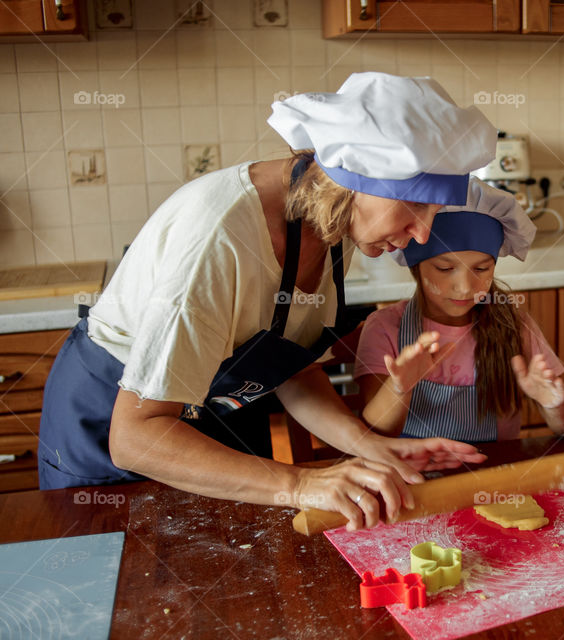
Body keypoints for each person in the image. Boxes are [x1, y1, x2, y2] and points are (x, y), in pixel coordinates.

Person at [38, 72, 497, 531]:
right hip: (114, 438)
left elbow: (288, 368)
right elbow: (135, 437)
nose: (422, 234)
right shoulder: (220, 237)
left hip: (217, 423)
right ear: (356, 180)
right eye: (417, 207)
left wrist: (365, 442)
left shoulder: (334, 219)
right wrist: (299, 485)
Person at [353, 178, 564, 442]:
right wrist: (398, 390)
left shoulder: (514, 323)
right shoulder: (385, 327)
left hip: (496, 473)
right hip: (414, 474)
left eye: (482, 269)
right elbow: (374, 433)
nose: (465, 288)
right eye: (445, 269)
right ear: (416, 268)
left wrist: (556, 404)